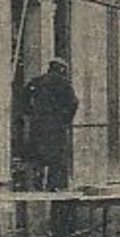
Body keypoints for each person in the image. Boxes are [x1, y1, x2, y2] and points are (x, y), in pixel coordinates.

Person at [24, 56, 78, 191]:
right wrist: (65, 119)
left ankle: (37, 181)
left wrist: (30, 112)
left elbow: (23, 96)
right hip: (56, 125)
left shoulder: (37, 82)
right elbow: (74, 103)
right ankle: (52, 185)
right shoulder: (64, 83)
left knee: (38, 155)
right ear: (61, 69)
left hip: (38, 124)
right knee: (56, 156)